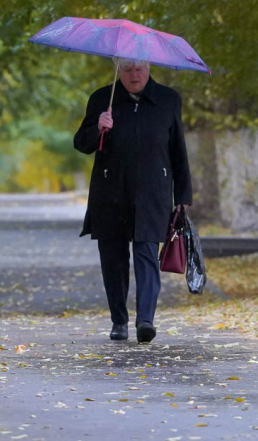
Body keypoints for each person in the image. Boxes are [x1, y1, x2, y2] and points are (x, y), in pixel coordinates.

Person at [74, 57, 192, 344]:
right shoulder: (103, 98)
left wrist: (183, 196)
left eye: (139, 68)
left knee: (147, 254)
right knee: (113, 259)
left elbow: (178, 149)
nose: (134, 74)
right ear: (119, 70)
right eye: (127, 69)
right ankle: (119, 321)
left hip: (153, 192)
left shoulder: (168, 100)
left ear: (149, 68)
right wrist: (98, 127)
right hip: (110, 191)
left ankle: (145, 321)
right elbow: (81, 143)